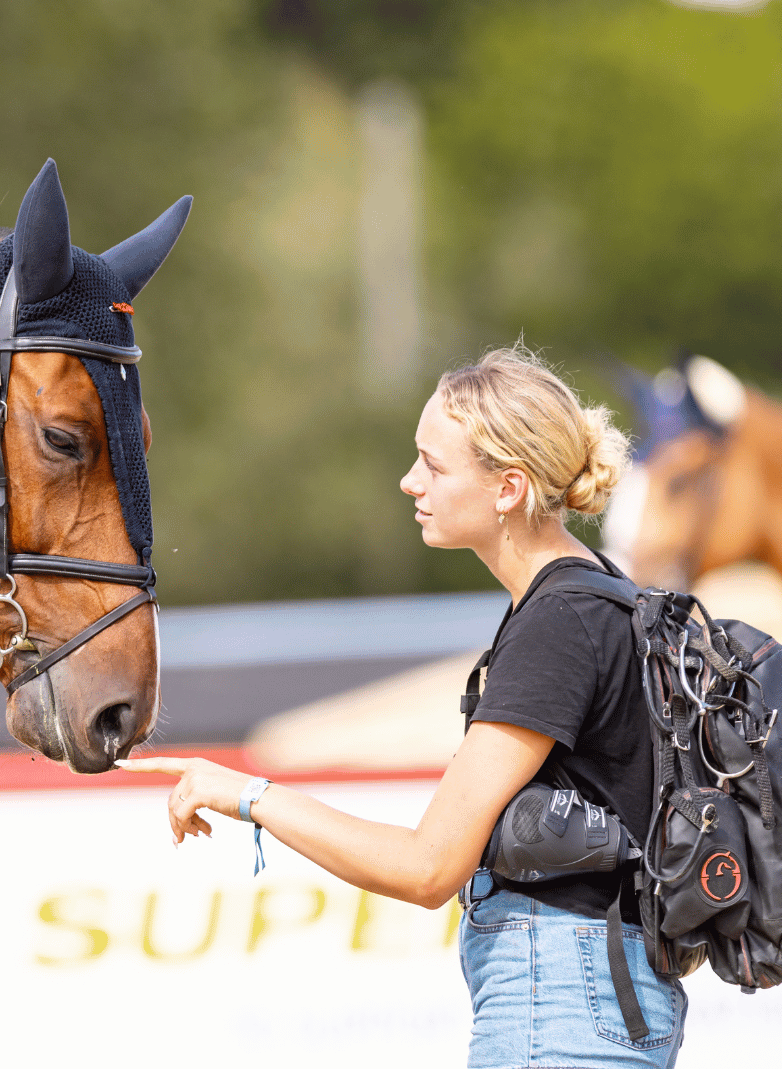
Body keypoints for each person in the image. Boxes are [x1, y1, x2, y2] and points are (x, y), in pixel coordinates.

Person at [121, 345, 688, 1067]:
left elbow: (427, 867)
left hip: (561, 1004)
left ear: (509, 487)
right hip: (607, 994)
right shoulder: (603, 594)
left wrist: (247, 795)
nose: (409, 481)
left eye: (435, 465)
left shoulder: (559, 624)